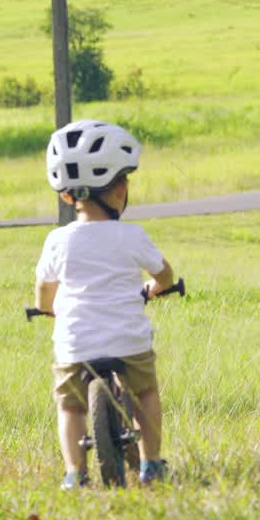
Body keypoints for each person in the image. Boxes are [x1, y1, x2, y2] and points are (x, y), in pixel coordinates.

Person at [33, 119, 178, 487]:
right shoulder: (132, 236)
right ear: (118, 192)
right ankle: (151, 464)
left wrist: (49, 308)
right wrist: (155, 288)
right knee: (145, 391)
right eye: (124, 180)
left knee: (69, 405)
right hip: (129, 342)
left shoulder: (57, 241)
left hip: (75, 345)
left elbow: (43, 292)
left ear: (67, 196)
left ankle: (74, 473)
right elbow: (164, 276)